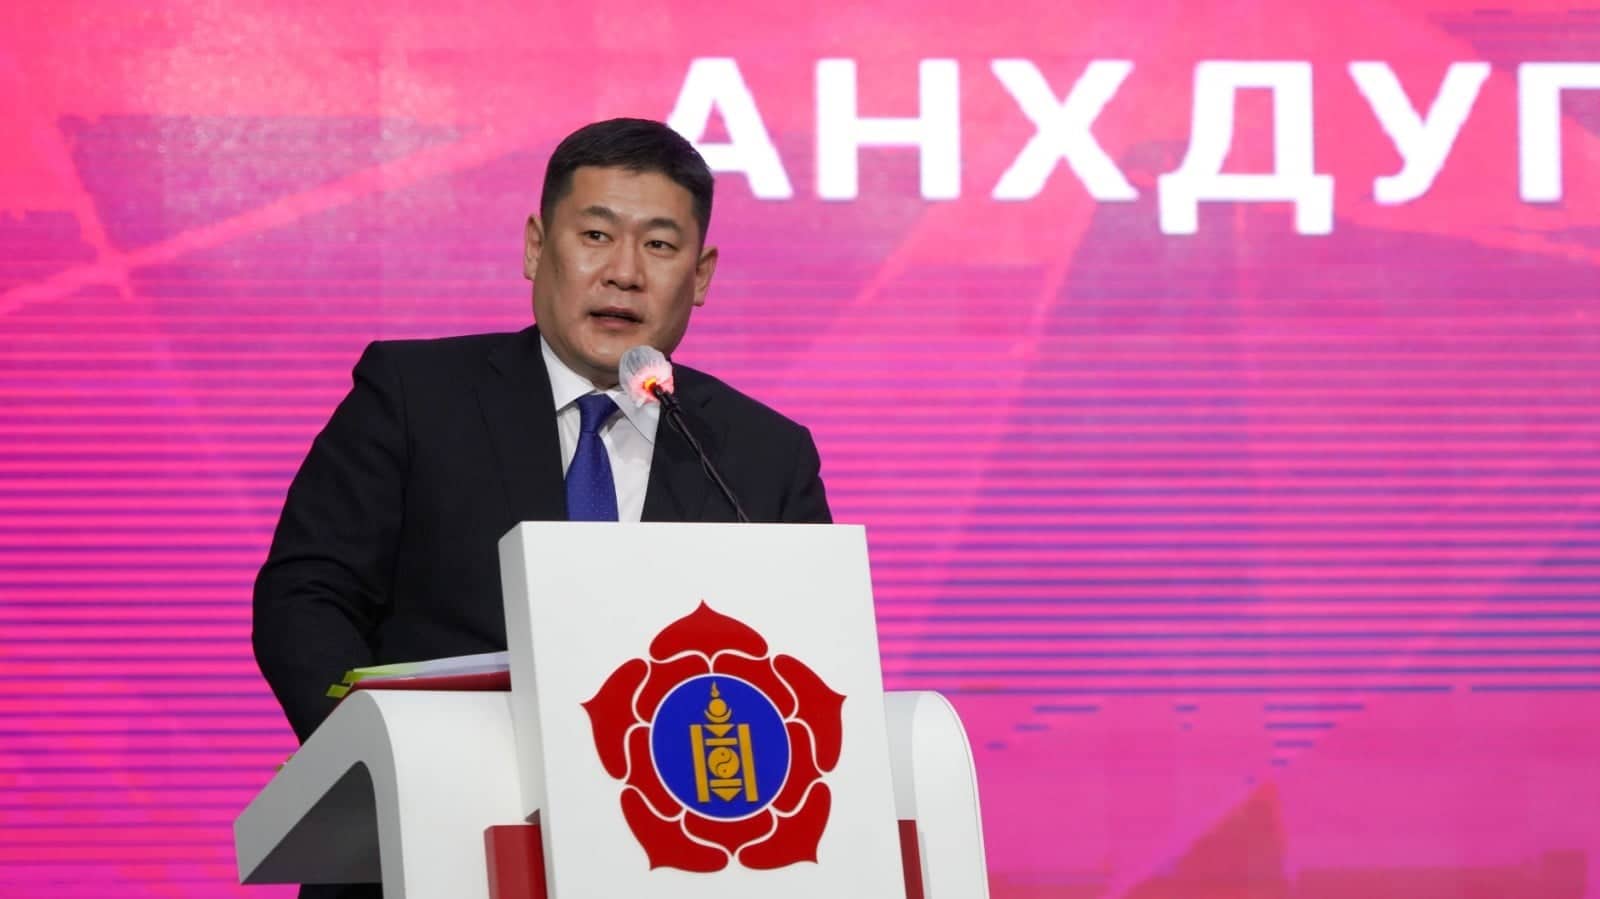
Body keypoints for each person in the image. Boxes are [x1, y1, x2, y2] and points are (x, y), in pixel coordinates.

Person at [252, 118, 831, 898]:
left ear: (700, 276)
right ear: (535, 246)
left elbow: (805, 669)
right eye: (595, 234)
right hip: (427, 856)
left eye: (660, 245)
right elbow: (305, 600)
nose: (623, 272)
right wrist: (385, 764)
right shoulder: (416, 398)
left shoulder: (763, 457)